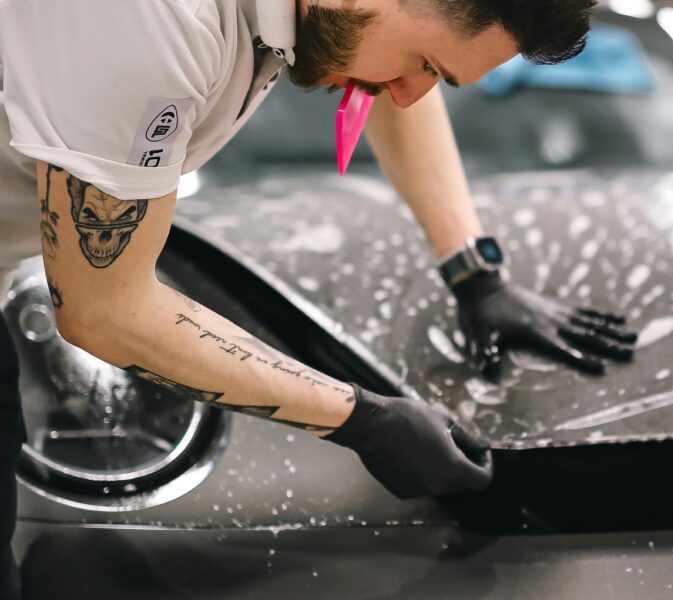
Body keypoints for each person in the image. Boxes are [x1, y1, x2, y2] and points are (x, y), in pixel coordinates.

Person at [0, 0, 637, 595]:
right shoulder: (158, 20)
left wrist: (473, 269)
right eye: (427, 66)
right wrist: (363, 420)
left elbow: (388, 76)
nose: (414, 93)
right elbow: (105, 310)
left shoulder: (345, 16)